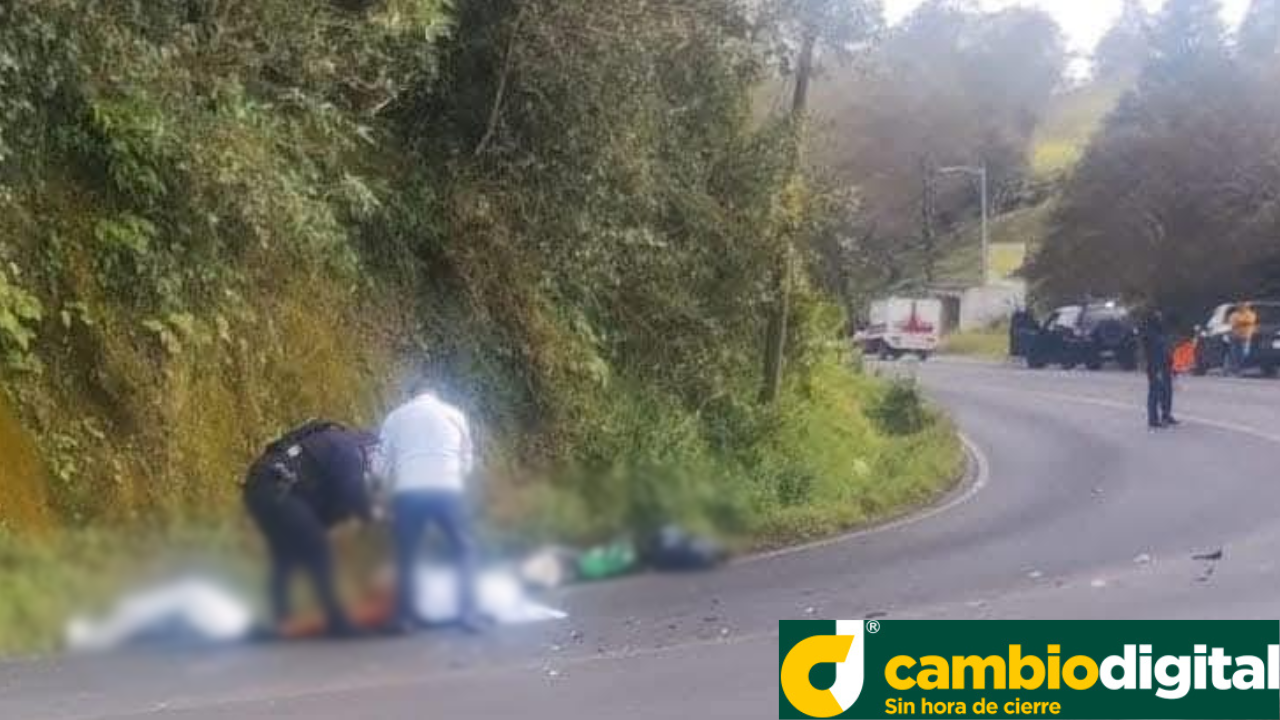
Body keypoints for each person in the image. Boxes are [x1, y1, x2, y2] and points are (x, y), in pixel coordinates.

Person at [242, 420, 376, 638]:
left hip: (261, 486)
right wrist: (370, 517)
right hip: (278, 490)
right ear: (368, 447)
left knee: (286, 556)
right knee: (319, 551)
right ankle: (338, 623)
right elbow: (352, 493)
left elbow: (328, 502)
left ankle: (280, 622)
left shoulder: (331, 442)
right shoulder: (349, 450)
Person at [379, 379, 483, 633]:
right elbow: (467, 460)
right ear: (435, 394)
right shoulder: (455, 414)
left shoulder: (395, 417)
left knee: (407, 553)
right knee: (463, 548)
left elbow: (381, 464)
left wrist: (381, 489)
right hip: (447, 489)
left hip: (409, 491)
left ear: (411, 395)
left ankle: (405, 618)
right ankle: (467, 614)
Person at [1140, 311, 1178, 430]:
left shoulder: (1161, 332)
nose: (1160, 319)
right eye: (1158, 317)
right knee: (1155, 392)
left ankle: (1166, 415)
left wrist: (1172, 364)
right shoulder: (1149, 334)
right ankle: (1153, 419)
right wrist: (1156, 368)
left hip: (1165, 364)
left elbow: (1167, 349)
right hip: (1155, 366)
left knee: (1167, 391)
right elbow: (1153, 352)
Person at [1229, 302, 1258, 376]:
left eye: (1244, 306)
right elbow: (1232, 323)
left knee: (1244, 353)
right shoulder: (1234, 314)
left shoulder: (1251, 314)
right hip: (1235, 336)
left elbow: (1250, 321)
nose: (1242, 307)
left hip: (1246, 336)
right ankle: (1235, 369)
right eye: (1240, 306)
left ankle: (1242, 368)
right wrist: (1243, 322)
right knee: (1234, 354)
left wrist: (1239, 322)